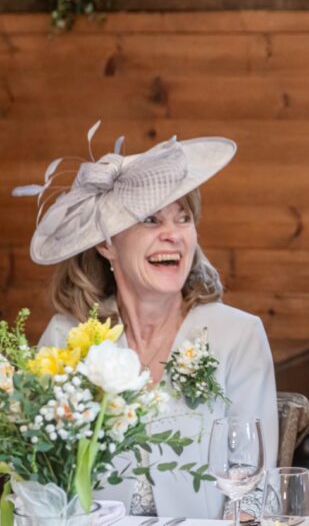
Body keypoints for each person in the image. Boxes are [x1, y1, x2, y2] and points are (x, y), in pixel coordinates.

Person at [21, 126, 278, 518]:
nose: (172, 235)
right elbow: (37, 481)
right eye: (151, 220)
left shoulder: (238, 335)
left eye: (183, 218)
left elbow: (252, 492)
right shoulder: (67, 338)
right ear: (107, 244)